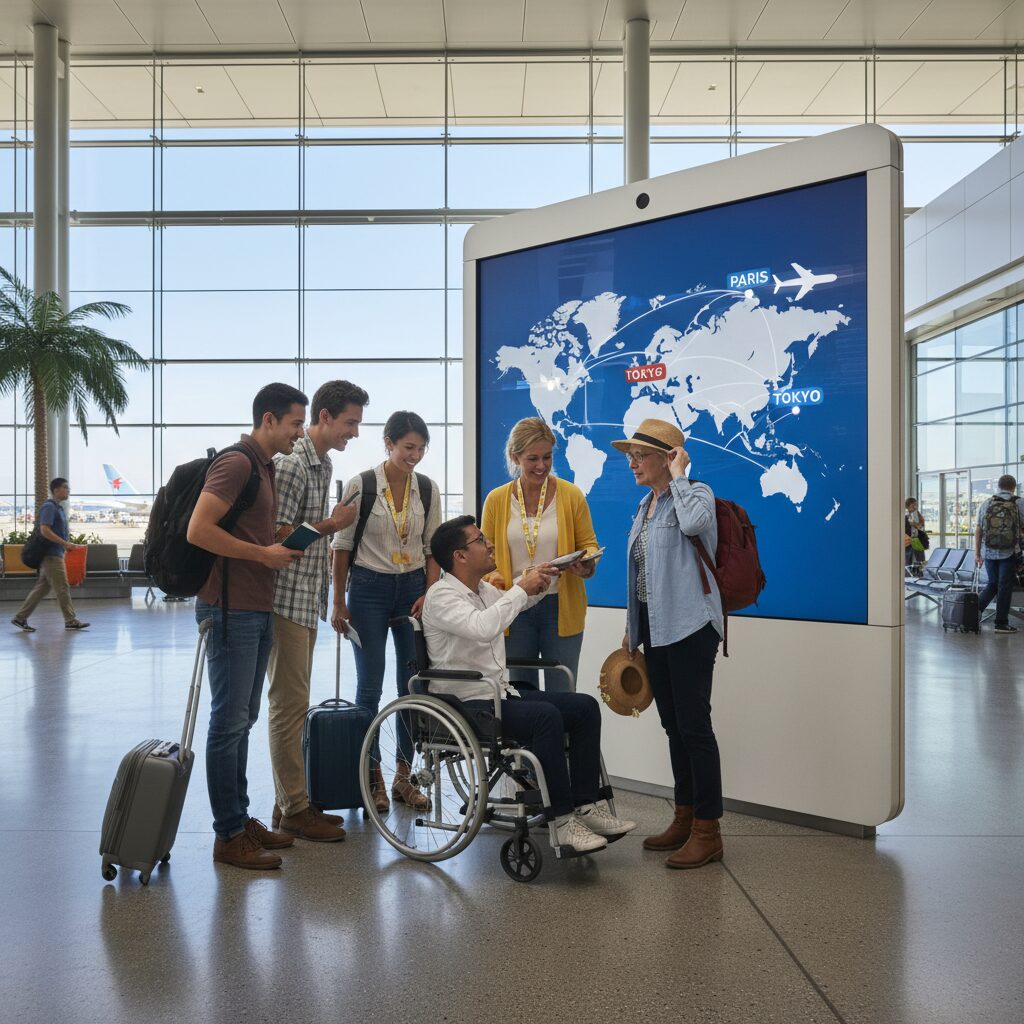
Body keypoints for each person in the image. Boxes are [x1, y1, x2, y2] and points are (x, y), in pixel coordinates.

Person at [421, 515, 636, 854]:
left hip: (496, 694)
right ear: (459, 556)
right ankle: (562, 822)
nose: (489, 543)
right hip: (467, 702)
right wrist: (520, 589)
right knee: (545, 716)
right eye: (480, 540)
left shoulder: (482, 590)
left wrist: (542, 580)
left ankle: (584, 805)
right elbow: (483, 627)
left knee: (584, 707)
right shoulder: (442, 596)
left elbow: (511, 606)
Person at [187, 382, 309, 871]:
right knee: (228, 723)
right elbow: (199, 529)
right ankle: (227, 835)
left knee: (244, 719)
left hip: (254, 606)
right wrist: (263, 552)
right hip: (228, 608)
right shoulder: (237, 463)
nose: (299, 434)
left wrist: (277, 539)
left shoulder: (265, 468)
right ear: (269, 420)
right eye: (295, 424)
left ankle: (239, 819)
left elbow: (244, 532)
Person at [614, 418, 725, 870]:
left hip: (690, 627)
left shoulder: (694, 494)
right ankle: (684, 816)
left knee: (695, 728)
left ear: (668, 457)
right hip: (655, 632)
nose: (632, 462)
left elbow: (697, 524)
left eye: (641, 455)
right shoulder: (645, 506)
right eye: (631, 455)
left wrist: (681, 474)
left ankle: (708, 829)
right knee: (673, 727)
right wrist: (631, 627)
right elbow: (639, 574)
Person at [266, 380, 368, 843]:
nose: (354, 433)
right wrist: (331, 524)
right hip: (286, 600)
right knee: (289, 706)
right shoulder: (291, 465)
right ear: (323, 417)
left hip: (305, 600)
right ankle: (294, 808)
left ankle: (289, 799)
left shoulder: (321, 463)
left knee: (294, 704)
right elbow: (281, 538)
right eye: (350, 423)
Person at [331, 411, 442, 813]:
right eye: (408, 447)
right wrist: (338, 600)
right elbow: (341, 546)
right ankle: (372, 777)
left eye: (421, 449)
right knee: (369, 688)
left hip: (412, 588)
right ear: (389, 443)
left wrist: (429, 593)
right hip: (368, 590)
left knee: (412, 687)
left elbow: (433, 549)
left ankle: (403, 777)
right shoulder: (360, 485)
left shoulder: (427, 489)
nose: (414, 456)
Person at [481, 417, 600, 692]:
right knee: (521, 695)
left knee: (563, 692)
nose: (541, 466)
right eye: (532, 458)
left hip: (560, 606)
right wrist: (496, 577)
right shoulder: (497, 500)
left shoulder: (571, 495)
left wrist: (586, 564)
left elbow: (589, 545)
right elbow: (484, 557)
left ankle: (564, 739)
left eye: (547, 457)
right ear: (515, 457)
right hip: (514, 607)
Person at [11, 477, 89, 632]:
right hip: (51, 555)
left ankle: (20, 618)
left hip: (56, 553)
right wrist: (64, 543)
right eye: (65, 487)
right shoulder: (49, 507)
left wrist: (67, 544)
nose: (68, 490)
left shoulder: (58, 508)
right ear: (56, 490)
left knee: (42, 588)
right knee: (62, 587)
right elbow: (44, 530)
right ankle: (70, 620)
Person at [974, 474, 1024, 634]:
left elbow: (979, 529)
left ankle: (973, 612)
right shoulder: (1019, 503)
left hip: (988, 551)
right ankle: (1001, 623)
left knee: (993, 583)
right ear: (1013, 487)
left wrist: (977, 554)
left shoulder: (987, 503)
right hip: (1009, 551)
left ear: (999, 486)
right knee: (1004, 586)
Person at [905, 498, 926, 570]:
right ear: (907, 507)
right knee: (908, 561)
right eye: (912, 506)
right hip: (907, 541)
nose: (915, 507)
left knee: (920, 560)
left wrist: (916, 524)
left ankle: (919, 575)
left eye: (915, 505)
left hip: (916, 540)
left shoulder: (917, 516)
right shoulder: (904, 516)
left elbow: (921, 527)